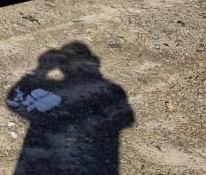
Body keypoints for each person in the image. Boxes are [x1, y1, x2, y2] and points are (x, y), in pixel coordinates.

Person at [10, 42, 134, 174]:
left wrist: (41, 69)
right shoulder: (112, 90)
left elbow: (14, 101)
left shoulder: (53, 88)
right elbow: (126, 119)